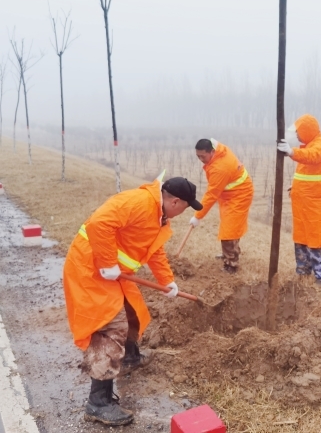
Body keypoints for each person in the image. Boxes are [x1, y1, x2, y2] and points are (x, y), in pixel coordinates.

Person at [63, 174, 202, 426]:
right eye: (185, 207)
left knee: (132, 312)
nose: (183, 212)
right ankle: (98, 403)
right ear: (175, 202)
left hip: (114, 273)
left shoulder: (159, 216)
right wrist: (107, 263)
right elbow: (99, 223)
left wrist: (167, 281)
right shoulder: (139, 202)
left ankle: (129, 357)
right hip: (91, 268)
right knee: (110, 327)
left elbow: (154, 251)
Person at [277, 114, 321, 287]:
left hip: (316, 204)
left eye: (299, 133)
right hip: (303, 203)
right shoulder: (308, 146)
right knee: (301, 238)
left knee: (316, 240)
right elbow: (308, 174)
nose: (297, 136)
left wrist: (292, 152)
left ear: (307, 131)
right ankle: (303, 271)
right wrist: (296, 187)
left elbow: (311, 156)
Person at [190, 138, 254, 273]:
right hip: (229, 194)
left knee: (229, 230)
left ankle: (231, 264)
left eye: (203, 156)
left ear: (212, 152)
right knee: (229, 226)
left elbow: (211, 195)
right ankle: (228, 253)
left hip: (240, 195)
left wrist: (198, 216)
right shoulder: (218, 150)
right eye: (198, 156)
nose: (200, 159)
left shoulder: (220, 169)